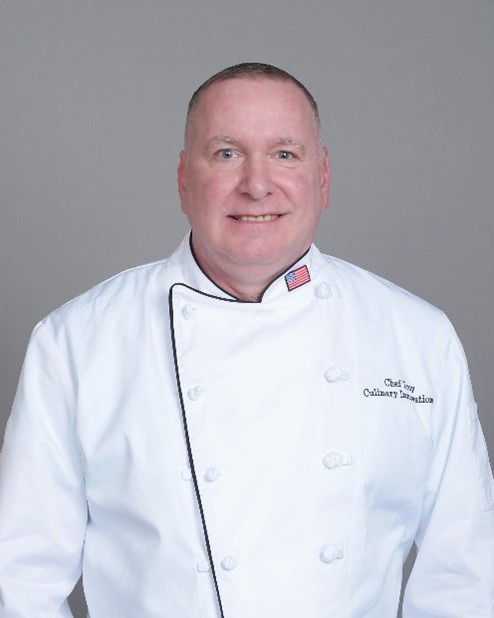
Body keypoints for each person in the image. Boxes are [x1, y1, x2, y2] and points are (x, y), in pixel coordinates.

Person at [0, 62, 493, 618]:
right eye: (227, 153)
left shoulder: (417, 338)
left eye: (285, 153)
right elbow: (20, 577)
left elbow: (464, 574)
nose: (257, 185)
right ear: (184, 178)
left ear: (323, 177)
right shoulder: (77, 343)